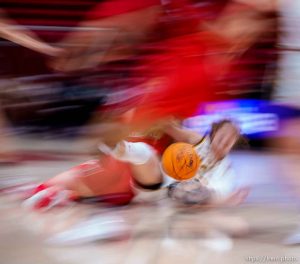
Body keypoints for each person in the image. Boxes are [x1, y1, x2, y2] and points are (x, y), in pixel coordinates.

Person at [23, 119, 248, 210]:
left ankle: (115, 149)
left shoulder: (226, 170)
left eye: (230, 140)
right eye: (222, 136)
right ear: (213, 133)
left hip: (164, 195)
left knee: (191, 189)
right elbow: (172, 127)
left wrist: (221, 199)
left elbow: (218, 196)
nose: (224, 142)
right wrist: (162, 117)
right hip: (151, 181)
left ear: (234, 145)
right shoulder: (196, 139)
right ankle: (116, 147)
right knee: (144, 154)